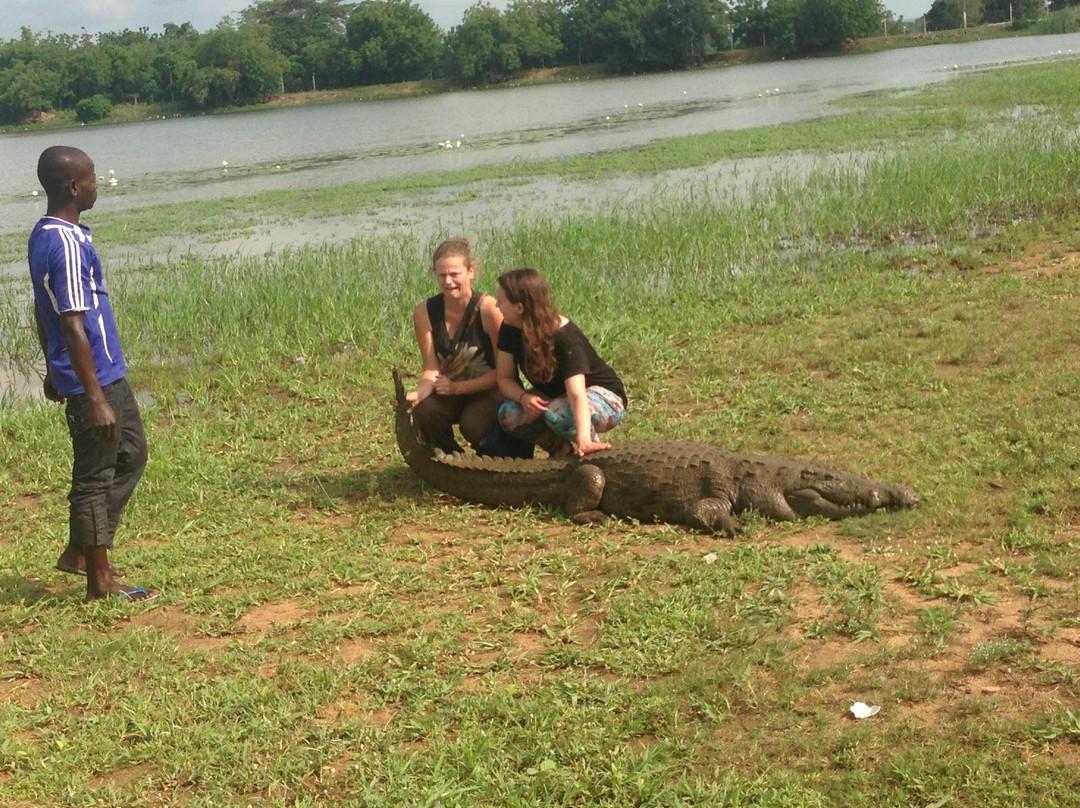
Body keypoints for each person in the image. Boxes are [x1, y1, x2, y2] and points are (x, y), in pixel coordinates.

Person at [28, 146, 157, 603]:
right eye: (93, 179)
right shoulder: (61, 243)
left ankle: (82, 550)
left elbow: (42, 310)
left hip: (101, 373)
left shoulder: (55, 234)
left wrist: (50, 368)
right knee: (94, 474)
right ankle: (99, 581)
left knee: (132, 453)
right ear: (73, 187)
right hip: (94, 379)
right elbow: (70, 322)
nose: (98, 185)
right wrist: (94, 395)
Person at [494, 268, 627, 458]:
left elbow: (576, 395)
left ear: (519, 308)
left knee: (559, 413)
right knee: (508, 414)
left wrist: (583, 439)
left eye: (501, 300)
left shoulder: (564, 337)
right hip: (557, 397)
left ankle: (593, 455)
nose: (497, 305)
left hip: (603, 396)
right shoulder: (509, 327)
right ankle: (560, 452)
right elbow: (504, 378)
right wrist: (524, 398)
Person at [402, 238, 507, 455]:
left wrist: (457, 388)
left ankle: (493, 453)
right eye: (442, 275)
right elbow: (431, 369)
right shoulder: (424, 311)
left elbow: (504, 373)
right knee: (425, 409)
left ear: (471, 271)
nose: (448, 281)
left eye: (454, 274)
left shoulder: (489, 310)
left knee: (473, 424)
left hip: (489, 391)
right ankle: (449, 457)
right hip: (450, 390)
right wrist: (418, 394)